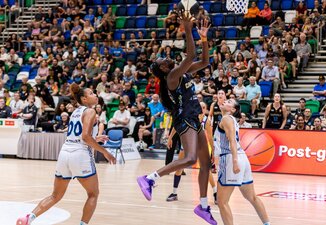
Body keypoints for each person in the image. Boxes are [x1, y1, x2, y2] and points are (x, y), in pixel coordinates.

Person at [136, 15, 217, 225]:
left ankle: (204, 206)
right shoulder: (171, 77)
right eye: (162, 60)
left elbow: (205, 61)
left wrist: (204, 38)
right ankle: (150, 178)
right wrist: (188, 28)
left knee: (205, 164)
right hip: (184, 120)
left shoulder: (180, 73)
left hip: (194, 118)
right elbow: (190, 56)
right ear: (162, 69)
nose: (165, 58)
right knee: (190, 159)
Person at [16, 83, 116, 225]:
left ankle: (28, 218)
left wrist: (96, 138)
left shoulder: (75, 111)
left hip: (65, 153)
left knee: (55, 195)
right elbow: (85, 137)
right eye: (92, 93)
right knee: (93, 194)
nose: (95, 95)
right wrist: (105, 152)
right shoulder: (90, 111)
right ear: (84, 99)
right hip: (80, 154)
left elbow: (78, 134)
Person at [214, 98, 271, 225]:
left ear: (232, 110)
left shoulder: (226, 119)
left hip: (230, 158)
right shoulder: (231, 120)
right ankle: (267, 223)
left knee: (222, 202)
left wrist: (234, 161)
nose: (224, 101)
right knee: (252, 197)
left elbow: (232, 141)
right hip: (242, 157)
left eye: (229, 102)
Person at [166, 102, 218, 204]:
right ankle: (174, 193)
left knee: (206, 170)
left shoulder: (205, 121)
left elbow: (210, 138)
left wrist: (212, 152)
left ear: (205, 109)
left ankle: (216, 193)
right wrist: (170, 138)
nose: (200, 108)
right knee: (179, 168)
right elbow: (176, 127)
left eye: (203, 107)